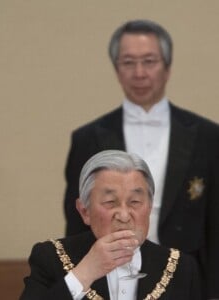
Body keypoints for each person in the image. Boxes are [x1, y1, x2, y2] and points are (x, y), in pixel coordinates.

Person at [63, 20, 219, 298]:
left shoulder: (208, 136)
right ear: (116, 69)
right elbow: (77, 223)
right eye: (128, 62)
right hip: (108, 277)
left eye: (149, 61)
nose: (139, 73)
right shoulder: (88, 138)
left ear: (167, 67)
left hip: (187, 280)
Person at [20, 150, 201, 300]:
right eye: (110, 202)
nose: (123, 216)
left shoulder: (181, 266)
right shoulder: (51, 257)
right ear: (84, 211)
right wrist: (85, 272)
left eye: (135, 202)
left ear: (149, 207)